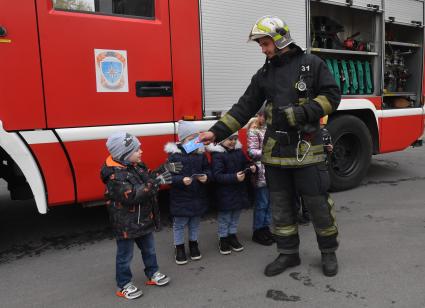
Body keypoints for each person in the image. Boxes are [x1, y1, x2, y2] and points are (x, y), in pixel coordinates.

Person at [199, 16, 341, 277]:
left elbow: (332, 97)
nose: (263, 50)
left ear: (280, 39)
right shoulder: (265, 74)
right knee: (281, 206)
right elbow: (244, 107)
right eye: (261, 45)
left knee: (318, 205)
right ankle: (288, 254)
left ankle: (328, 252)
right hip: (276, 155)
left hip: (308, 151)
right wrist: (215, 131)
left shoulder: (312, 64)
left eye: (265, 43)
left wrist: (301, 113)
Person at [100, 132, 172, 300]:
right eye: (136, 149)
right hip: (126, 225)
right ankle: (123, 284)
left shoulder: (136, 165)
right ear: (124, 154)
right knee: (125, 256)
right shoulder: (114, 176)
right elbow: (132, 195)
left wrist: (165, 168)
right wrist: (156, 182)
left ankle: (153, 273)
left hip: (143, 219)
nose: (141, 152)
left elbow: (149, 176)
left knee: (150, 249)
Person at [164, 120, 211, 265]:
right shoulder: (174, 156)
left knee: (195, 222)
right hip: (181, 197)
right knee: (179, 224)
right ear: (182, 140)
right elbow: (168, 176)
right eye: (191, 139)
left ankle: (193, 244)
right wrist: (180, 180)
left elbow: (207, 169)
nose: (196, 142)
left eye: (197, 138)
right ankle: (179, 248)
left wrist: (206, 177)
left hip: (197, 195)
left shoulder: (200, 154)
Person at [207, 132, 256, 254]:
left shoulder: (238, 152)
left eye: (235, 139)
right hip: (225, 193)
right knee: (225, 217)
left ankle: (232, 235)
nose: (233, 142)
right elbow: (217, 176)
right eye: (230, 139)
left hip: (238, 191)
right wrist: (234, 177)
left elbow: (246, 163)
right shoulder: (217, 155)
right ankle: (223, 238)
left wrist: (252, 167)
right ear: (221, 140)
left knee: (235, 215)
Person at [247, 111, 274, 246]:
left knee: (270, 204)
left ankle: (266, 228)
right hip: (261, 172)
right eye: (265, 116)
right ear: (259, 116)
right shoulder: (254, 130)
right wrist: (268, 153)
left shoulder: (271, 129)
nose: (267, 119)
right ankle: (257, 231)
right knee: (262, 204)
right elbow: (251, 151)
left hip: (272, 171)